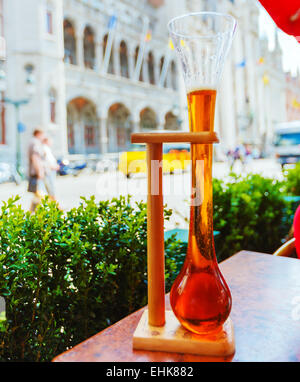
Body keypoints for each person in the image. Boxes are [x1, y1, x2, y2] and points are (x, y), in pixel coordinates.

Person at [28, 129, 46, 211]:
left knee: (37, 193)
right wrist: (40, 171)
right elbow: (35, 157)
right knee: (39, 192)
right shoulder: (35, 142)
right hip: (35, 172)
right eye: (43, 134)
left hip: (34, 171)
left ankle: (31, 212)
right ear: (38, 134)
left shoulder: (33, 142)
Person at [43, 137, 59, 201]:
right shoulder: (44, 148)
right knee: (50, 187)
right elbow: (46, 161)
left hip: (51, 170)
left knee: (51, 187)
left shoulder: (47, 148)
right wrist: (53, 166)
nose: (51, 143)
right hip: (49, 170)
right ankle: (55, 204)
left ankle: (55, 203)